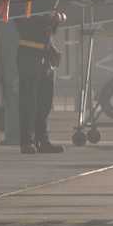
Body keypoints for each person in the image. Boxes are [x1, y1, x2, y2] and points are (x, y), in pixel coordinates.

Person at [14, 10, 66, 153]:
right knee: (28, 102)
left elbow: (47, 33)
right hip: (29, 54)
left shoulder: (46, 5)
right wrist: (52, 18)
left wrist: (52, 48)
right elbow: (28, 25)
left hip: (45, 54)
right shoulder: (25, 3)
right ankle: (27, 142)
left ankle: (43, 140)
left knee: (45, 102)